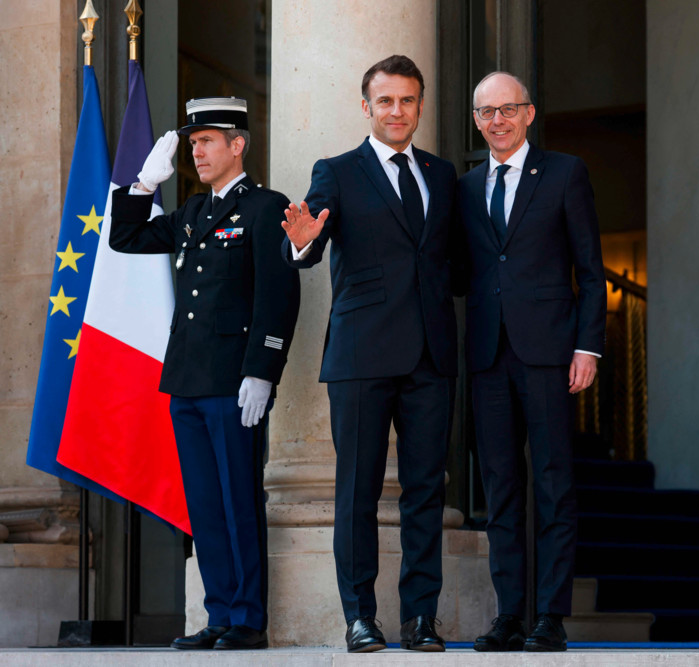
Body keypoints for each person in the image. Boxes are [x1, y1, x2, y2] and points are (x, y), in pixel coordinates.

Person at [109, 97, 301, 650]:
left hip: (233, 380)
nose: (196, 152)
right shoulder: (192, 214)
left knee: (239, 499)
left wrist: (263, 369)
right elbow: (126, 238)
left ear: (237, 144)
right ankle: (219, 613)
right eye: (192, 143)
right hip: (187, 380)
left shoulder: (266, 208)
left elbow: (277, 292)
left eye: (207, 141)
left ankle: (247, 620)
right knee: (205, 505)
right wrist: (144, 184)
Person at [280, 55, 458, 653]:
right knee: (356, 491)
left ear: (420, 106)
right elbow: (312, 236)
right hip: (361, 355)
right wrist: (303, 246)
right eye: (386, 101)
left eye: (407, 100)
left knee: (425, 491)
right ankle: (360, 616)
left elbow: (452, 260)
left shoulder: (442, 173)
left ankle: (421, 619)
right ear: (367, 107)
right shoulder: (336, 170)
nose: (397, 111)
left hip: (431, 354)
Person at [457, 71, 606, 652]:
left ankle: (550, 615)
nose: (497, 120)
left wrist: (587, 347)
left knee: (553, 484)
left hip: (549, 352)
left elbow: (591, 271)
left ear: (529, 113)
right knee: (500, 490)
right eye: (487, 112)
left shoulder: (565, 172)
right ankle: (508, 616)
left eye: (508, 110)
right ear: (476, 120)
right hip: (489, 355)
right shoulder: (466, 187)